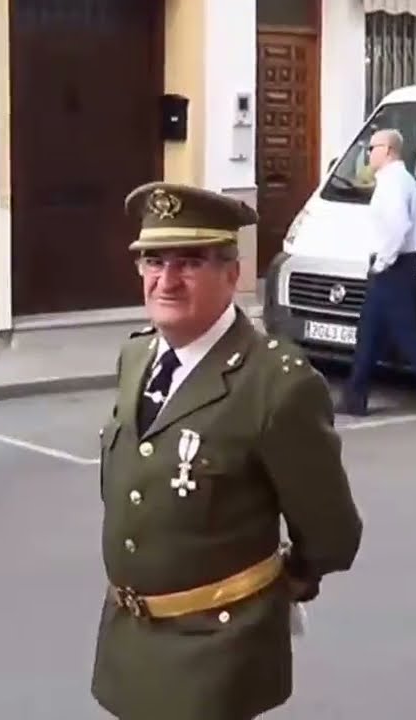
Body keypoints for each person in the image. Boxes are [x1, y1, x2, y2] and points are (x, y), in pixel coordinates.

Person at [91, 182, 363, 720]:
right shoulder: (136, 356)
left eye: (189, 263)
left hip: (218, 648)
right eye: (153, 261)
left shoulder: (276, 383)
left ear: (232, 273)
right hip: (129, 639)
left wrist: (290, 578)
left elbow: (332, 533)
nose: (167, 279)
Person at [337, 128, 416, 427]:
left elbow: (398, 226)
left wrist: (382, 262)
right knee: (369, 332)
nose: (368, 154)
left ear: (388, 150)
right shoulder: (394, 180)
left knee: (409, 335)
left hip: (393, 267)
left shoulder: (394, 183)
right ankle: (355, 395)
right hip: (394, 265)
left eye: (372, 148)